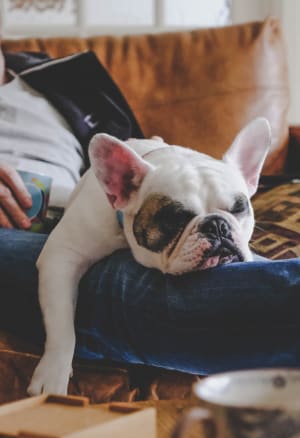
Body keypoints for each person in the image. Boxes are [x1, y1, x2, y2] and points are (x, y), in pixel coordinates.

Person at [0, 44, 300, 376]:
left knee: (258, 273)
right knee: (126, 284)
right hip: (14, 234)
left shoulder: (61, 77)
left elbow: (132, 170)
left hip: (80, 208)